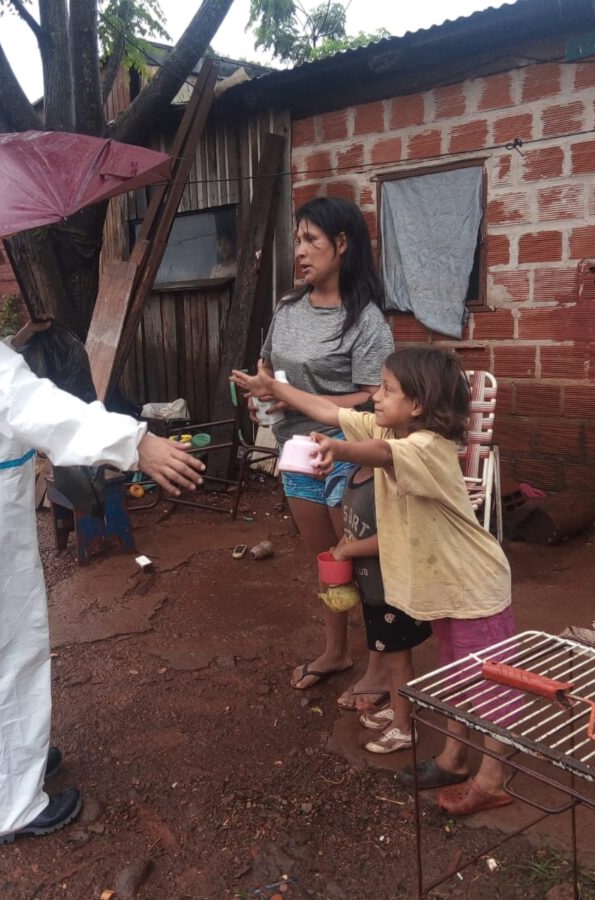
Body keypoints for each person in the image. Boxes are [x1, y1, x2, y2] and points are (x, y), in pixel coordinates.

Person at [0, 239, 204, 845]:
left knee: (8, 638)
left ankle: (15, 759)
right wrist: (135, 442)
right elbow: (23, 402)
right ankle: (8, 807)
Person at [235, 347, 517, 814]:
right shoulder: (389, 425)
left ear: (419, 405)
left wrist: (339, 450)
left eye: (387, 390)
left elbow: (383, 453)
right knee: (458, 677)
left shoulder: (427, 448)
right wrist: (274, 389)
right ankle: (453, 758)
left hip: (473, 587)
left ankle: (492, 779)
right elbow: (331, 410)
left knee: (487, 685)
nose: (376, 397)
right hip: (445, 587)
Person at [239, 196, 395, 706]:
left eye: (312, 241)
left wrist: (301, 400)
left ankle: (378, 666)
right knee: (329, 558)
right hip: (295, 449)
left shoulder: (365, 320)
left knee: (363, 561)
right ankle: (336, 652)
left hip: (348, 450)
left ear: (342, 245)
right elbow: (267, 366)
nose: (300, 252)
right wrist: (258, 390)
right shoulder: (288, 309)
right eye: (297, 240)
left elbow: (375, 398)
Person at [330, 463, 433, 753]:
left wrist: (347, 551)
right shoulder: (353, 475)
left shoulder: (386, 482)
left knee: (398, 659)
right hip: (373, 588)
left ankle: (403, 727)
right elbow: (352, 527)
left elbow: (393, 537)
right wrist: (339, 549)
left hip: (393, 591)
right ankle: (397, 706)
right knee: (388, 654)